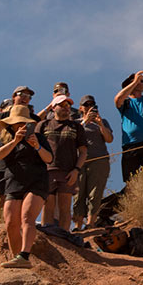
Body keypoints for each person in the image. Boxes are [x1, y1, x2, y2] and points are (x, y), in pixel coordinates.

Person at [0, 105, 52, 269]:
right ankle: (16, 258)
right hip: (13, 182)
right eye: (18, 123)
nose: (21, 126)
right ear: (11, 124)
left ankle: (24, 255)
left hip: (37, 181)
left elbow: (49, 159)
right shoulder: (4, 139)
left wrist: (37, 146)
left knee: (27, 216)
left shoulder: (38, 137)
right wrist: (15, 141)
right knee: (11, 222)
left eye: (24, 123)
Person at [38, 97, 91, 234]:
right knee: (47, 206)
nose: (66, 107)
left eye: (68, 105)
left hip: (68, 172)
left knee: (65, 207)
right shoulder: (44, 125)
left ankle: (64, 236)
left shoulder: (76, 127)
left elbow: (83, 152)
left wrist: (76, 170)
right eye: (62, 105)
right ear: (53, 107)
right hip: (47, 171)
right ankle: (48, 237)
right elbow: (35, 147)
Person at [73, 96, 115, 227]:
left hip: (99, 160)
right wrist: (85, 121)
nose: (89, 108)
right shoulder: (75, 122)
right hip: (79, 162)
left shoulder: (102, 122)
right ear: (81, 108)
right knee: (78, 194)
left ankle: (90, 223)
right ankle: (77, 225)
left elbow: (109, 139)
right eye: (86, 105)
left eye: (92, 105)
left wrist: (100, 124)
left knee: (95, 193)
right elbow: (72, 137)